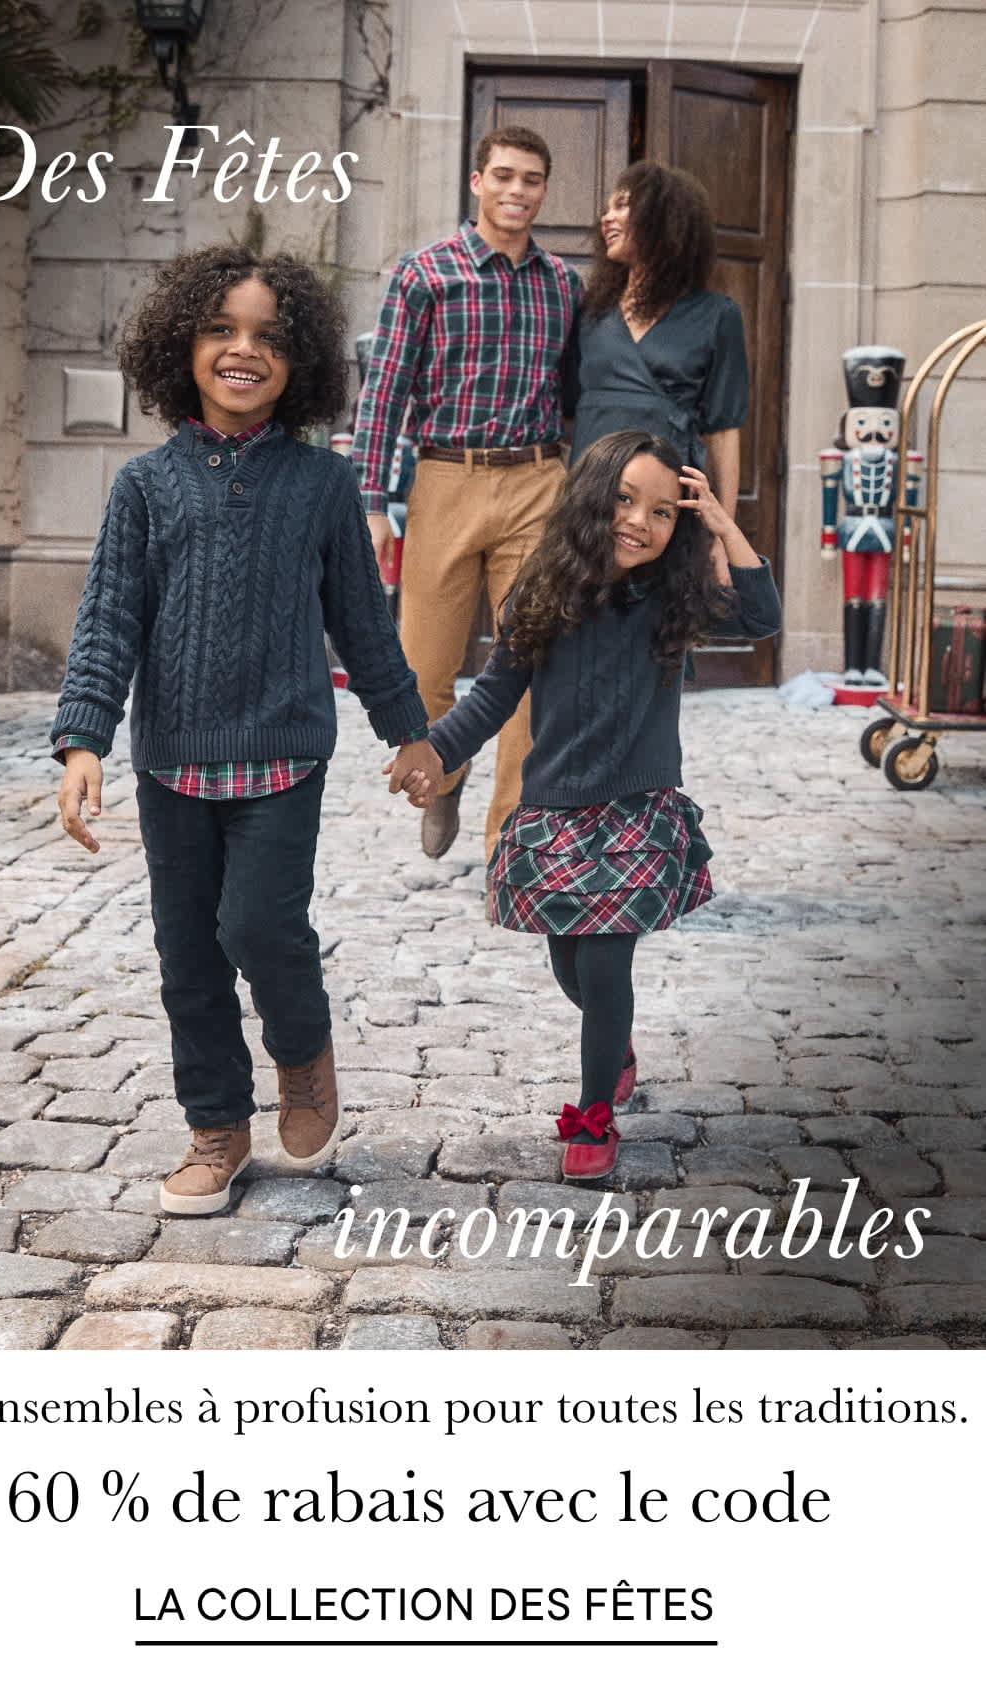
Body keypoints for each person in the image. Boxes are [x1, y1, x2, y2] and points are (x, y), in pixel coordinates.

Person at [51, 246, 430, 1216]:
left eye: (267, 335)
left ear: (299, 358)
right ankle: (216, 1129)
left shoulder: (321, 487)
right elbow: (108, 621)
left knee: (259, 925)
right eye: (222, 329)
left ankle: (303, 1054)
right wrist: (84, 741)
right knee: (189, 956)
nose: (243, 350)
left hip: (284, 754)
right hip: (173, 760)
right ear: (182, 346)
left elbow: (362, 622)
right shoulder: (145, 486)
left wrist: (412, 733)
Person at [387, 430, 782, 1181]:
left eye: (663, 512)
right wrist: (434, 753)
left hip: (635, 813)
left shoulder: (672, 596)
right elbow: (495, 694)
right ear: (592, 497)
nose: (640, 521)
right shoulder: (542, 591)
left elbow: (759, 615)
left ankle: (593, 1113)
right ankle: (618, 1044)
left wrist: (722, 524)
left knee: (604, 971)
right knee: (568, 964)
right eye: (626, 500)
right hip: (553, 810)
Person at [352, 125, 582, 864]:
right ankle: (445, 770)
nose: (518, 191)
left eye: (532, 179)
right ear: (476, 182)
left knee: (529, 662)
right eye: (505, 176)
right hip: (445, 477)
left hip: (537, 480)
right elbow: (382, 393)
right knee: (422, 667)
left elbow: (577, 392)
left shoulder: (563, 285)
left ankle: (507, 840)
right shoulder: (424, 274)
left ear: (544, 190)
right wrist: (370, 502)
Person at [569, 161, 749, 570]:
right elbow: (567, 415)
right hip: (588, 503)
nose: (606, 217)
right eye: (607, 208)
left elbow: (723, 433)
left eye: (623, 206)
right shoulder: (589, 312)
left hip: (666, 506)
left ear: (663, 218)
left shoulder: (717, 315)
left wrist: (723, 534)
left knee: (661, 624)